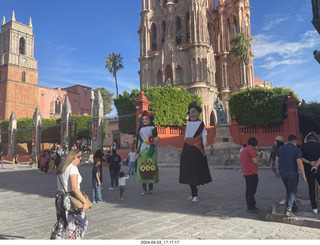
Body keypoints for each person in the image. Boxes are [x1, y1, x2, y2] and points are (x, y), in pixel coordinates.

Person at [50, 150, 88, 239]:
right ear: (75, 157)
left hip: (60, 198)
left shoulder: (61, 167)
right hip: (70, 200)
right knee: (79, 224)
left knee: (61, 223)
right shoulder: (72, 168)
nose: (80, 160)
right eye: (79, 157)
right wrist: (84, 201)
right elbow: (74, 188)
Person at [179, 102, 212, 202]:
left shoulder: (201, 124)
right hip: (187, 148)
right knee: (188, 172)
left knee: (195, 172)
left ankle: (195, 194)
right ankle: (192, 193)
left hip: (197, 150)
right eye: (190, 112)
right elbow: (185, 138)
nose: (192, 114)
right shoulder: (188, 124)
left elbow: (204, 138)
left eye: (194, 112)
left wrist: (205, 149)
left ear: (198, 112)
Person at [275, 135, 307, 217]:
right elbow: (299, 162)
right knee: (292, 191)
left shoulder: (281, 148)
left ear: (288, 140)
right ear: (295, 142)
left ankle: (294, 206)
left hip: (283, 172)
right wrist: (303, 174)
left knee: (289, 189)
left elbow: (277, 160)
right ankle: (288, 210)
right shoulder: (297, 150)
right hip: (292, 172)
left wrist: (278, 170)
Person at [136, 110, 160, 195]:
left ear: (150, 119)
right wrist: (138, 151)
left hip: (151, 149)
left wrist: (151, 149)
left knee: (150, 168)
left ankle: (151, 188)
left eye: (146, 119)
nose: (145, 120)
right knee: (143, 168)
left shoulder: (153, 129)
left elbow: (155, 139)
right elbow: (140, 141)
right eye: (143, 119)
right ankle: (144, 188)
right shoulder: (140, 129)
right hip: (142, 149)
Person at [240, 137, 262, 213]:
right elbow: (255, 161)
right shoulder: (251, 150)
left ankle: (249, 205)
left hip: (246, 172)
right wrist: (258, 155)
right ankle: (251, 206)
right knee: (252, 190)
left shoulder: (243, 150)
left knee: (248, 189)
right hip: (252, 172)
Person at [300, 132, 320, 214]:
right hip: (318, 169)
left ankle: (314, 207)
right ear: (315, 139)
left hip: (308, 169)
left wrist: (309, 162)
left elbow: (300, 158)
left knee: (311, 188)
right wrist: (316, 165)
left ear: (307, 139)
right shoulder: (319, 145)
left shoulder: (302, 146)